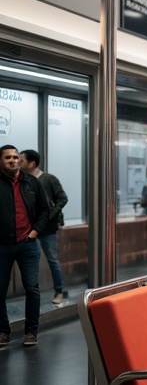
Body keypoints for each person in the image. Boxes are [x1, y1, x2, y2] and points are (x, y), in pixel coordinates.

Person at [0, 144, 52, 348]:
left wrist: (35, 231)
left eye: (15, 157)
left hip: (27, 243)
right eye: (8, 158)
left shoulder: (31, 182)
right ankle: (3, 332)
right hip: (2, 246)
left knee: (32, 288)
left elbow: (45, 209)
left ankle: (31, 331)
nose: (13, 160)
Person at [19, 149, 69, 307]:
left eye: (22, 160)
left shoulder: (48, 179)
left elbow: (62, 198)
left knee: (52, 259)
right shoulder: (23, 180)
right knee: (31, 259)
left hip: (47, 227)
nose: (19, 163)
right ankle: (33, 294)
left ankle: (59, 291)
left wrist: (50, 215)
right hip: (30, 227)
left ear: (32, 163)